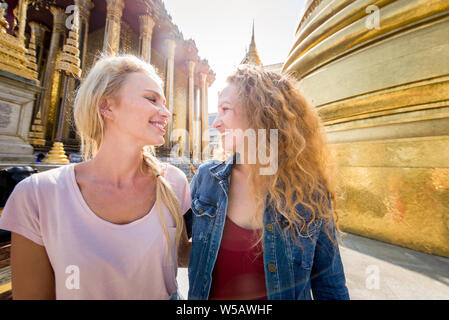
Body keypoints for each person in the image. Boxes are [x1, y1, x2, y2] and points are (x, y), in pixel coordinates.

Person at [0, 55, 192, 300]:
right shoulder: (37, 194)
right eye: (151, 99)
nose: (166, 113)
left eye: (164, 103)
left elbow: (181, 255)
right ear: (106, 107)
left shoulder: (172, 182)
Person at [187, 64, 349, 300]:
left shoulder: (309, 193)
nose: (215, 123)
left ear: (259, 114)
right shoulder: (207, 179)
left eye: (225, 109)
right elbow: (163, 246)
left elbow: (330, 285)